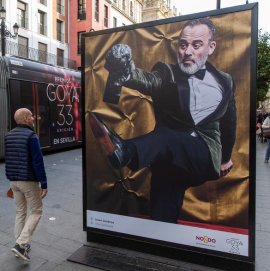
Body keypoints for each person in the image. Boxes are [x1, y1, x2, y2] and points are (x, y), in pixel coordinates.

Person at [89, 18, 237, 223]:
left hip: (202, 155)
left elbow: (229, 122)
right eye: (183, 45)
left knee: (167, 136)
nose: (187, 51)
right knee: (162, 217)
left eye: (196, 45)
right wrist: (124, 70)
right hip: (168, 162)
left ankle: (126, 151)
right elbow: (149, 80)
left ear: (211, 47)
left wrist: (225, 158)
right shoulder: (167, 74)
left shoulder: (225, 81)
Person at [5, 108, 48, 261]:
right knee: (36, 211)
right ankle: (21, 245)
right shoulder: (31, 136)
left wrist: (12, 180)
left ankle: (19, 243)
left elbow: (10, 159)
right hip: (28, 180)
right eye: (30, 116)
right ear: (24, 118)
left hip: (13, 180)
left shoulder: (8, 136)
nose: (33, 118)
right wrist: (43, 183)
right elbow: (37, 161)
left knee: (20, 212)